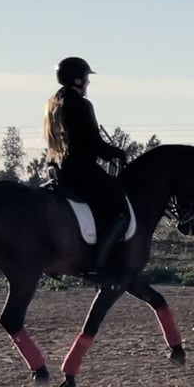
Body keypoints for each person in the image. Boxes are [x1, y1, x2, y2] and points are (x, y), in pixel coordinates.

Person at [44, 57, 129, 289]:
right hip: (80, 168)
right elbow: (92, 142)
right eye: (87, 78)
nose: (88, 83)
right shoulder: (81, 104)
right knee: (120, 211)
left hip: (56, 167)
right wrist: (117, 154)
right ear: (78, 79)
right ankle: (97, 265)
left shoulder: (52, 103)